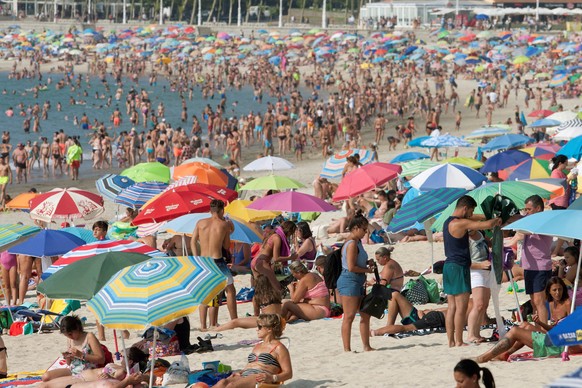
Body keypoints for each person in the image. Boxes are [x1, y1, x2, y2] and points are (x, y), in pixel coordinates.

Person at [443, 196, 500, 347]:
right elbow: (486, 224)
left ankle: (451, 342)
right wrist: (496, 220)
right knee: (461, 308)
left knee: (452, 307)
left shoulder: (448, 221)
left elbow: (475, 218)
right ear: (465, 208)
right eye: (471, 211)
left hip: (448, 266)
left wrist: (487, 214)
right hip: (459, 266)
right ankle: (460, 341)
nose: (471, 214)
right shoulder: (460, 223)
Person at [506, 195, 552, 326]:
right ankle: (538, 327)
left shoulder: (543, 220)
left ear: (538, 208)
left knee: (539, 301)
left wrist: (509, 243)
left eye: (529, 209)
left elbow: (522, 232)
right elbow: (518, 219)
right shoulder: (529, 219)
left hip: (540, 267)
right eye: (525, 209)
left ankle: (543, 330)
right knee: (533, 302)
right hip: (529, 267)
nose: (526, 212)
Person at [191, 199, 237, 330]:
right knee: (230, 290)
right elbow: (226, 246)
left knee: (205, 293)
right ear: (222, 210)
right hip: (217, 261)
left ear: (210, 210)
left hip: (203, 261)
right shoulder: (224, 224)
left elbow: (193, 241)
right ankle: (234, 319)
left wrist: (196, 257)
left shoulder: (200, 223)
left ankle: (204, 325)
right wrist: (229, 230)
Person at [214, 314, 292, 388]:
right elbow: (251, 365)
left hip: (260, 377)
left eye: (260, 327)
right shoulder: (257, 346)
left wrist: (272, 378)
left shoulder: (279, 348)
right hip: (245, 375)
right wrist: (240, 372)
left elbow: (288, 373)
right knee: (222, 382)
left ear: (269, 329)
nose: (256, 329)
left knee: (232, 386)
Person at [337, 210, 376, 352]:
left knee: (365, 314)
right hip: (349, 281)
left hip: (358, 281)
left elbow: (357, 261)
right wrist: (367, 270)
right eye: (364, 229)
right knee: (349, 316)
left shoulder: (357, 242)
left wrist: (367, 262)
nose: (365, 232)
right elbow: (352, 267)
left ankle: (367, 346)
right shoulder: (352, 243)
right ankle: (347, 349)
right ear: (355, 228)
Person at [39, 346, 148, 388]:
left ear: (130, 361)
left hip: (82, 380)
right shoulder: (119, 368)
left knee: (44, 385)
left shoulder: (121, 372)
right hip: (80, 376)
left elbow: (122, 382)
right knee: (45, 381)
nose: (120, 357)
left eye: (123, 356)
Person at [41, 316, 105, 383]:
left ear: (77, 328)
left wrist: (82, 355)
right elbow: (69, 363)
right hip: (73, 370)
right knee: (46, 377)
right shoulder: (70, 339)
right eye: (67, 335)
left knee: (58, 383)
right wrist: (68, 357)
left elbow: (101, 359)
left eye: (70, 334)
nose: (70, 337)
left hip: (87, 371)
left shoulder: (89, 337)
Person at [214, 274, 281, 332]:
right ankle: (218, 328)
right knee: (239, 321)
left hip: (267, 321)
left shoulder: (257, 297)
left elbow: (256, 314)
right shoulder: (276, 293)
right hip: (278, 320)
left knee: (235, 322)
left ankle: (215, 330)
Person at [251, 221, 298, 291]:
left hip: (255, 261)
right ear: (289, 230)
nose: (291, 235)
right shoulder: (277, 238)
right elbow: (276, 258)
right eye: (292, 233)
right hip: (262, 262)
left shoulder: (272, 235)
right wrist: (291, 257)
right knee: (277, 288)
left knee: (260, 289)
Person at [467, 230, 491, 343]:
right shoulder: (464, 239)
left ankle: (477, 333)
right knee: (478, 304)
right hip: (475, 272)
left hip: (487, 271)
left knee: (484, 305)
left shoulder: (480, 233)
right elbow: (464, 262)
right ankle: (471, 334)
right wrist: (480, 265)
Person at [374, 246, 404, 326]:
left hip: (392, 294)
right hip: (396, 292)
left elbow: (383, 283)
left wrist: (371, 283)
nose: (378, 262)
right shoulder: (391, 263)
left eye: (378, 259)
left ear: (384, 257)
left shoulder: (389, 266)